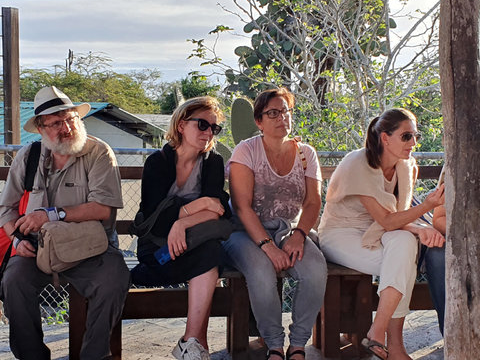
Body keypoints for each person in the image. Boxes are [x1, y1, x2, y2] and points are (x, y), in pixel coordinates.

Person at [0, 86, 130, 360]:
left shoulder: (99, 153)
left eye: (71, 118)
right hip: (38, 250)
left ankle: (95, 356)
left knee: (113, 277)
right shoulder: (28, 156)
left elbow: (102, 209)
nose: (67, 127)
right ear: (40, 128)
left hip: (91, 249)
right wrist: (16, 239)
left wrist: (51, 214)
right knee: (14, 281)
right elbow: (6, 209)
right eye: (57, 122)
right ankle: (32, 355)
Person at [318, 108, 445, 360]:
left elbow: (396, 217)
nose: (414, 143)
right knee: (402, 262)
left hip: (383, 230)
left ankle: (378, 333)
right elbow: (387, 220)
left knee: (404, 246)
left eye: (415, 136)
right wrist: (427, 209)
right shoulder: (358, 163)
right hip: (342, 232)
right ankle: (393, 346)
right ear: (385, 138)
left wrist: (418, 228)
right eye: (406, 136)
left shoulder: (406, 166)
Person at [223, 88, 328, 360]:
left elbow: (314, 202)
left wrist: (300, 234)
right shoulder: (246, 151)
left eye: (286, 111)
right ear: (259, 121)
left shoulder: (306, 154)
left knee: (315, 269)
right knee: (260, 270)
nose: (282, 118)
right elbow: (242, 207)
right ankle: (274, 345)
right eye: (273, 113)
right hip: (243, 231)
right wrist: (268, 247)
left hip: (287, 229)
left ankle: (298, 345)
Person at [130, 96, 231, 360]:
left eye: (214, 128)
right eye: (202, 125)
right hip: (157, 250)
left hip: (193, 244)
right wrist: (201, 205)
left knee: (210, 253)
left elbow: (219, 211)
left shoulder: (213, 162)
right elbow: (156, 220)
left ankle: (192, 344)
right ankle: (194, 345)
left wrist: (181, 222)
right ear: (181, 125)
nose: (209, 132)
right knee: (210, 260)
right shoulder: (157, 163)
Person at [423, 165, 446, 335]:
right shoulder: (460, 162)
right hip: (466, 236)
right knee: (437, 255)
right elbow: (439, 219)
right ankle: (453, 334)